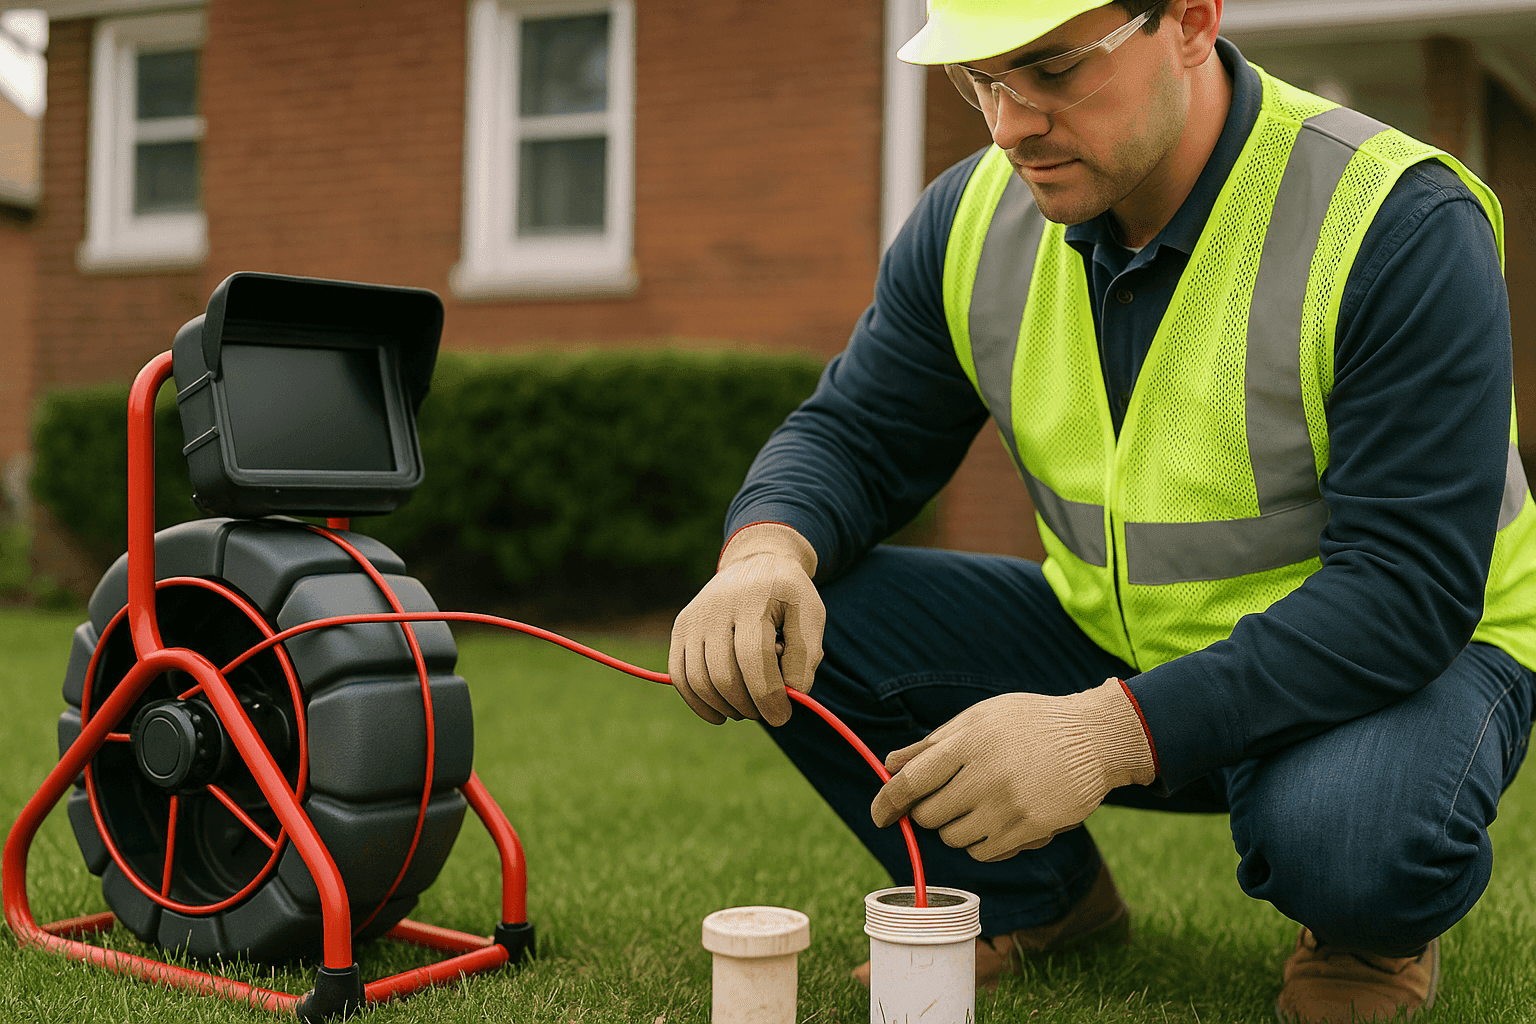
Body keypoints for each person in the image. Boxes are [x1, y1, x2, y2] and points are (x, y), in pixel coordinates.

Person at [667, 0, 1536, 1020]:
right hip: (1119, 642)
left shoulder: (1396, 220)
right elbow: (854, 435)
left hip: (1402, 661)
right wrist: (764, 551)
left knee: (1353, 838)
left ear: (1194, 21)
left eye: (1050, 67)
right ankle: (1041, 900)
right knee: (805, 610)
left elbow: (1405, 591)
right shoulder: (974, 219)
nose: (1007, 123)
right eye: (980, 79)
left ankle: (1364, 933)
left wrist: (1106, 735)